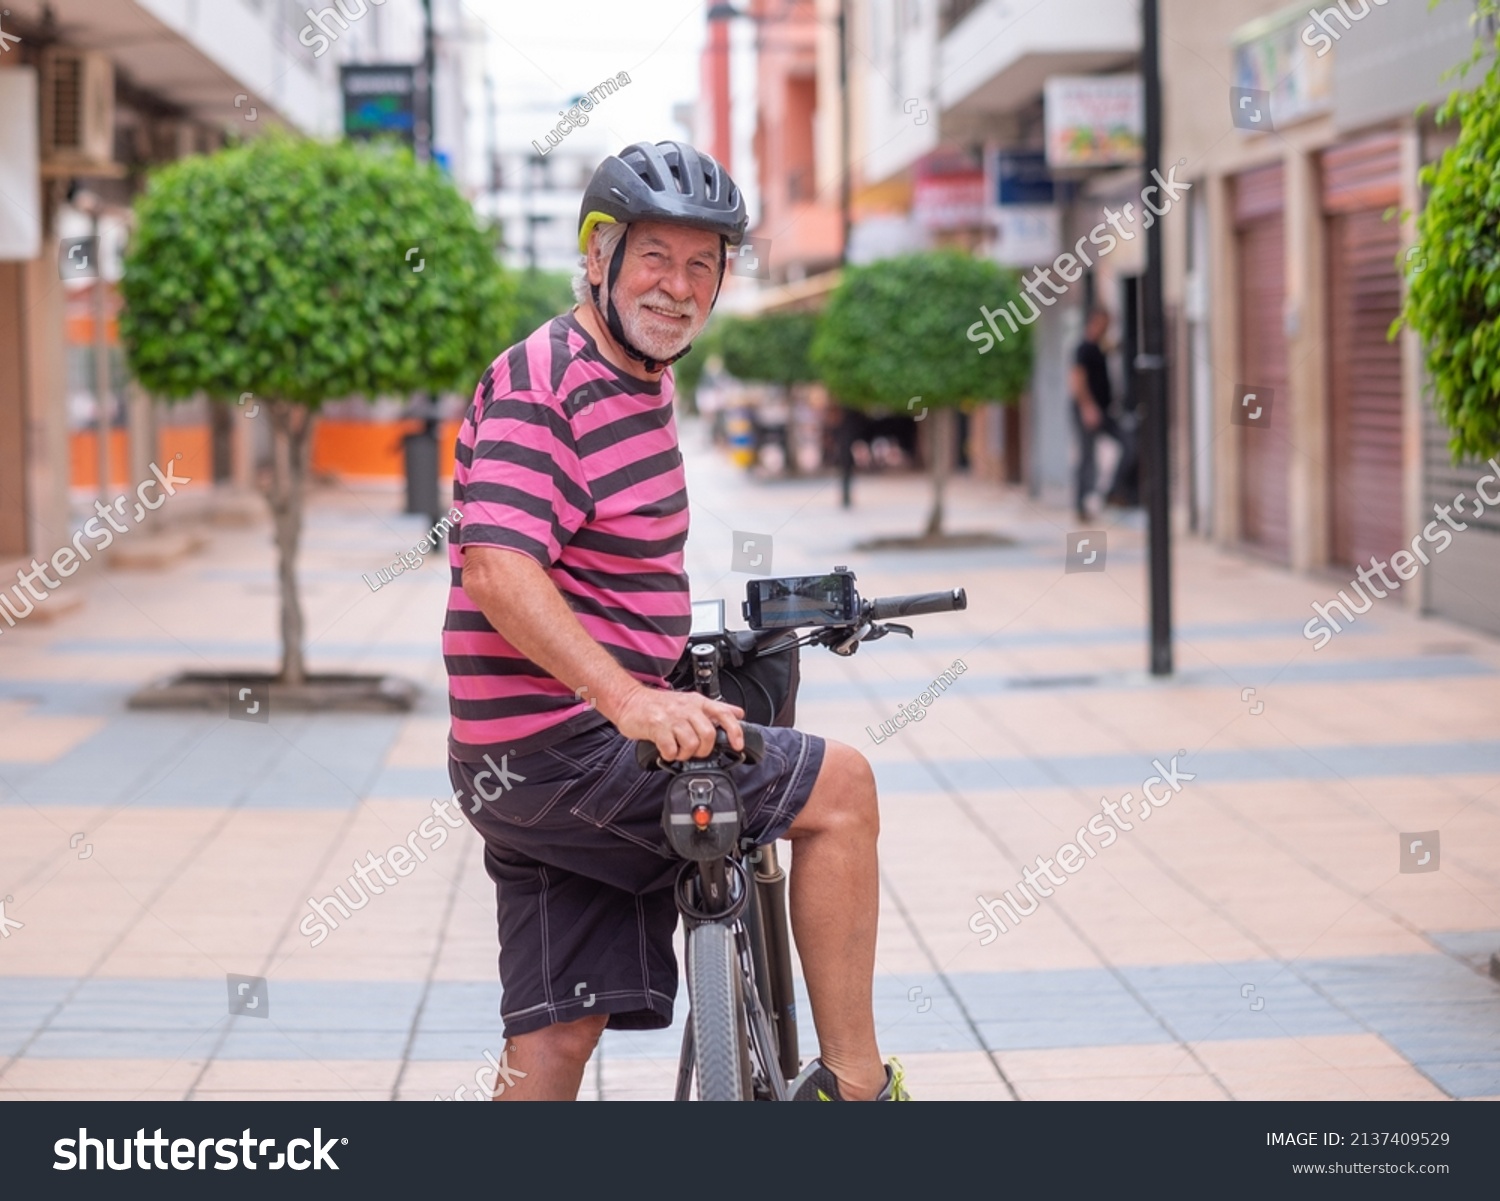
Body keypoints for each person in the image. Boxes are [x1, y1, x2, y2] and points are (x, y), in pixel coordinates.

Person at [444, 140, 908, 1102]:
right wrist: (627, 698)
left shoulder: (637, 378)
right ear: (598, 256)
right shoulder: (548, 381)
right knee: (845, 789)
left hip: (519, 763)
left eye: (704, 263)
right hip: (569, 748)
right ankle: (859, 1091)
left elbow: (601, 562)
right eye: (655, 256)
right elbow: (496, 565)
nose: (679, 285)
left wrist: (660, 660)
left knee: (556, 1034)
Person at [1069, 306, 1127, 521]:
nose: (1108, 328)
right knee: (1086, 458)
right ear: (1095, 322)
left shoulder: (1098, 348)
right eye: (1105, 324)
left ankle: (1112, 492)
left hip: (1103, 410)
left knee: (1128, 443)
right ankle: (1080, 506)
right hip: (1089, 411)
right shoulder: (1083, 348)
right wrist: (1087, 407)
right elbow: (1076, 379)